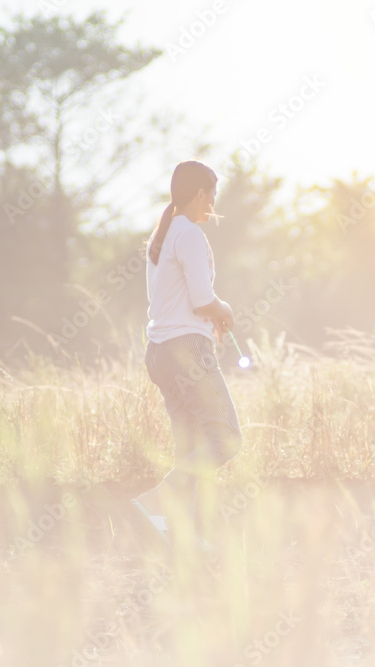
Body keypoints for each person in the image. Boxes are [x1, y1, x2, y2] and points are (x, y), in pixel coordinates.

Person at [132, 159, 242, 552]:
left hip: (159, 352)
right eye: (212, 194)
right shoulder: (190, 234)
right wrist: (223, 311)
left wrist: (208, 319)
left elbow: (177, 301)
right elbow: (201, 299)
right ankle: (159, 498)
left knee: (191, 446)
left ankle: (189, 541)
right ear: (201, 194)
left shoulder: (161, 236)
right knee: (227, 437)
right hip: (186, 351)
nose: (213, 203)